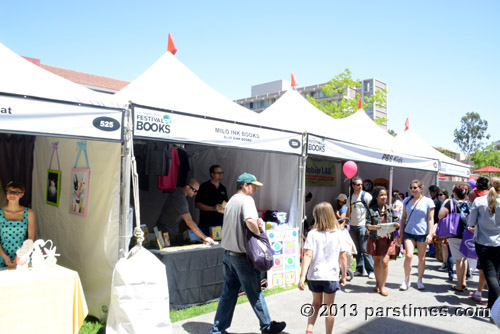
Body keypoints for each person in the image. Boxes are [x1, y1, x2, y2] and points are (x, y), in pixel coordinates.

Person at [210, 173, 286, 334]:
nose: (255, 190)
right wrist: (259, 230)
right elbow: (249, 221)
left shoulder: (230, 201)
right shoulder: (247, 200)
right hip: (242, 258)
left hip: (228, 255)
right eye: (253, 186)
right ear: (245, 186)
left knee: (228, 295)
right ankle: (267, 327)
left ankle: (217, 330)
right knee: (255, 292)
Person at [299, 202, 347, 334]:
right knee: (329, 307)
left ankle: (309, 329)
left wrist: (302, 276)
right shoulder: (338, 233)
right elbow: (343, 257)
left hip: (315, 276)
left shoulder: (312, 234)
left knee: (315, 303)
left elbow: (308, 255)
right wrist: (344, 275)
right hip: (331, 276)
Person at [468, 177, 500, 309]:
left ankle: (497, 305)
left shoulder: (479, 201)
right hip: (498, 242)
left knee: (491, 275)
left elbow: (471, 222)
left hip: (483, 242)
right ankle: (493, 306)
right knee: (496, 275)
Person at [399, 180, 435, 290]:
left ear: (421, 188)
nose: (413, 190)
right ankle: (406, 280)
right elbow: (403, 217)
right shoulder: (406, 200)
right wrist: (401, 233)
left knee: (421, 257)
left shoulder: (428, 201)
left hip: (422, 232)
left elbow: (430, 218)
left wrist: (430, 234)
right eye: (411, 188)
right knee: (409, 255)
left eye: (415, 187)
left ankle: (419, 279)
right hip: (409, 231)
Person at [156, 178, 215, 245]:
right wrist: (205, 237)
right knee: (167, 253)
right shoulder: (180, 199)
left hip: (164, 230)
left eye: (197, 191)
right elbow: (189, 222)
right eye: (194, 190)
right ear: (187, 187)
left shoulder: (177, 191)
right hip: (166, 233)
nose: (195, 193)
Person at [366, 186, 400, 296]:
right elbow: (366, 224)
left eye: (385, 195)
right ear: (376, 197)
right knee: (376, 262)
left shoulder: (390, 209)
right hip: (375, 238)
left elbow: (396, 221)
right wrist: (372, 227)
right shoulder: (371, 210)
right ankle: (377, 283)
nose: (384, 197)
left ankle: (383, 286)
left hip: (388, 239)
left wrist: (397, 225)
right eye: (381, 195)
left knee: (384, 262)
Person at [438, 183, 470, 292]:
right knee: (464, 259)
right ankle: (464, 281)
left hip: (454, 233)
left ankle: (459, 285)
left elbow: (441, 215)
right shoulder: (469, 203)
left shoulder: (450, 203)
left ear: (454, 193)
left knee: (458, 260)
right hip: (468, 233)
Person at [0, 181, 35, 267]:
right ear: (6, 194)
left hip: (23, 254)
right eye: (9, 192)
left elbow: (30, 238)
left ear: (21, 194)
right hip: (2, 254)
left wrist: (20, 255)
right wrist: (4, 256)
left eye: (15, 193)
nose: (12, 195)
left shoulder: (29, 213)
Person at [346, 175, 374, 278]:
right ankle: (359, 269)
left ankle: (370, 270)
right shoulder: (350, 197)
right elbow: (348, 211)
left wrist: (369, 226)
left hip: (363, 225)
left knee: (365, 249)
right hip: (353, 226)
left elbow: (372, 210)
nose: (361, 186)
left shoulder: (366, 196)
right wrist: (346, 222)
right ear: (353, 185)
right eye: (358, 184)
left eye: (361, 184)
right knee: (357, 249)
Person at [469, 176, 489, 304]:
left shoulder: (478, 199)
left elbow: (472, 222)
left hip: (483, 239)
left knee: (485, 269)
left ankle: (480, 293)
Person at [195, 165, 229, 236]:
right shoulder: (204, 186)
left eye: (221, 172)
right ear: (212, 174)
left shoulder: (223, 188)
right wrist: (213, 208)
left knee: (219, 245)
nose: (221, 174)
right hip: (207, 224)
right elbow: (197, 204)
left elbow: (225, 203)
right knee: (207, 245)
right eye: (218, 173)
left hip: (220, 224)